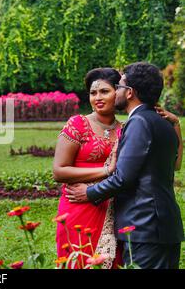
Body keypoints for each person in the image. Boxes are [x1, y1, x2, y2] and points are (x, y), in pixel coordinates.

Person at [66, 62, 184, 269]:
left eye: (119, 86)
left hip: (145, 226)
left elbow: (123, 177)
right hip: (166, 226)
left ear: (130, 92)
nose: (117, 90)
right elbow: (174, 165)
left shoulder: (138, 122)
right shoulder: (165, 123)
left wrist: (90, 192)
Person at [53, 68, 123, 269]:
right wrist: (106, 171)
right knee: (78, 260)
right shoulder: (78, 124)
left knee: (112, 262)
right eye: (93, 93)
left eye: (104, 91)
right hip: (78, 207)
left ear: (117, 93)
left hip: (113, 210)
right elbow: (59, 171)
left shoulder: (125, 129)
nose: (98, 98)